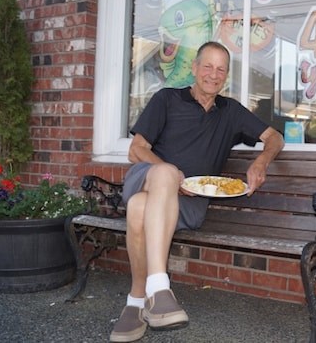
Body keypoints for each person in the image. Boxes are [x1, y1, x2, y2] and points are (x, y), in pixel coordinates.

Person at [109, 41, 285, 342]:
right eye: (207, 66)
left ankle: (137, 302)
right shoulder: (167, 99)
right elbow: (136, 150)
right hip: (147, 177)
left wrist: (261, 161)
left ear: (226, 75)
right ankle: (159, 287)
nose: (213, 75)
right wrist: (172, 175)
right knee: (164, 173)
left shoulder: (230, 112)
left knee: (139, 208)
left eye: (221, 69)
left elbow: (275, 137)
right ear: (194, 68)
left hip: (188, 202)